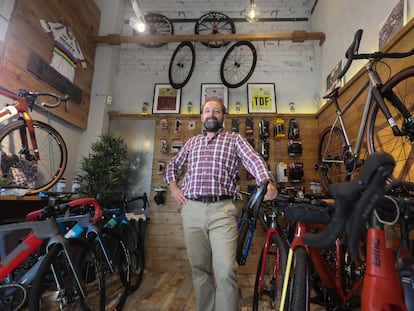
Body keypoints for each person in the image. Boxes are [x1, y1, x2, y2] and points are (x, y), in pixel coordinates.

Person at [164, 99, 277, 311]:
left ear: (224, 116)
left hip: (222, 211)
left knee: (226, 270)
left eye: (216, 111)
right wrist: (174, 188)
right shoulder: (191, 143)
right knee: (200, 269)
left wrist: (266, 181)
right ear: (201, 116)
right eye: (207, 111)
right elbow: (172, 166)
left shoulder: (234, 139)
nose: (211, 114)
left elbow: (253, 159)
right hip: (192, 211)